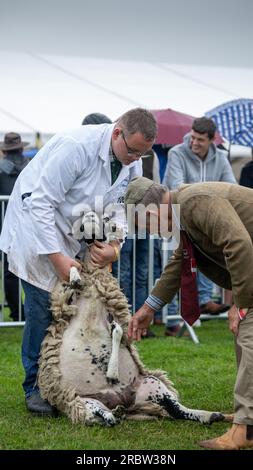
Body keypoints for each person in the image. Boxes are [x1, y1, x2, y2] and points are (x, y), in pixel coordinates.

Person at [0, 108, 157, 416]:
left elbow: (121, 207)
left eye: (143, 153)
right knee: (42, 311)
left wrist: (115, 245)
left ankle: (65, 379)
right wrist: (57, 257)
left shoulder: (130, 162)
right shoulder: (75, 147)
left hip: (72, 232)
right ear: (116, 133)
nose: (136, 159)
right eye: (133, 150)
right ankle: (35, 387)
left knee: (73, 315)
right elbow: (40, 202)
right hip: (33, 233)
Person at [125, 176, 253, 450]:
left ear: (150, 213)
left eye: (143, 226)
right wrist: (149, 308)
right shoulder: (184, 210)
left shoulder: (194, 202)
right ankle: (248, 417)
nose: (149, 232)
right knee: (247, 336)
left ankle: (245, 429)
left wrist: (240, 303)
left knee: (249, 337)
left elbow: (239, 244)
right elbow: (179, 262)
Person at [162, 117, 236, 317]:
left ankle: (204, 301)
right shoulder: (177, 153)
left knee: (209, 258)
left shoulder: (220, 158)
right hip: (178, 217)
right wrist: (208, 197)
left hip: (207, 220)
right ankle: (172, 316)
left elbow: (231, 187)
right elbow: (177, 185)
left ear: (211, 140)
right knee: (176, 266)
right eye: (193, 137)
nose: (194, 142)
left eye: (200, 140)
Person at [0, 132, 29, 321]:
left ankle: (17, 312)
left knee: (9, 272)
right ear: (21, 148)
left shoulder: (0, 169)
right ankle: (25, 311)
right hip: (29, 225)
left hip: (5, 225)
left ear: (4, 150)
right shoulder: (31, 166)